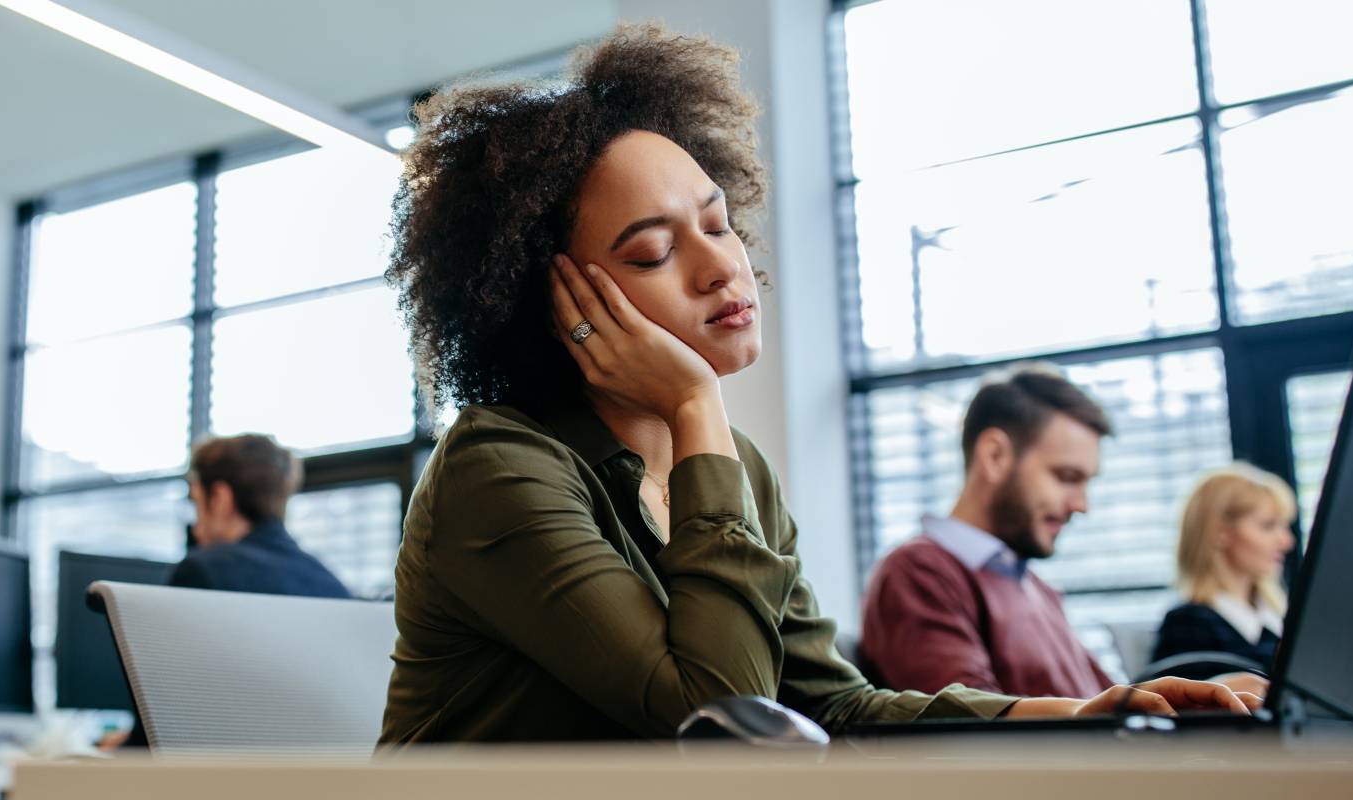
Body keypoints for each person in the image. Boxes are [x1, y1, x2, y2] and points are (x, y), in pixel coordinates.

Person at [377, 23, 1255, 745]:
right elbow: (724, 717)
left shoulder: (736, 469)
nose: (723, 267)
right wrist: (694, 405)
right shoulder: (498, 468)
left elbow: (829, 706)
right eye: (652, 251)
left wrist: (1074, 715)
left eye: (718, 224)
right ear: (557, 302)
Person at [860, 364, 1117, 699]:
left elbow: (1108, 703)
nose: (1082, 504)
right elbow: (975, 729)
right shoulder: (919, 573)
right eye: (1067, 477)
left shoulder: (1033, 585)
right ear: (995, 456)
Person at [1150, 464, 1295, 681]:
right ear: (1220, 532)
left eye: (1284, 526)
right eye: (1268, 526)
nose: (1286, 542)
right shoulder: (1188, 626)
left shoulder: (1279, 618)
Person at [168, 434, 349, 599]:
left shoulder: (202, 571)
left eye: (196, 502)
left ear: (219, 498)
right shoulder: (332, 585)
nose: (196, 528)